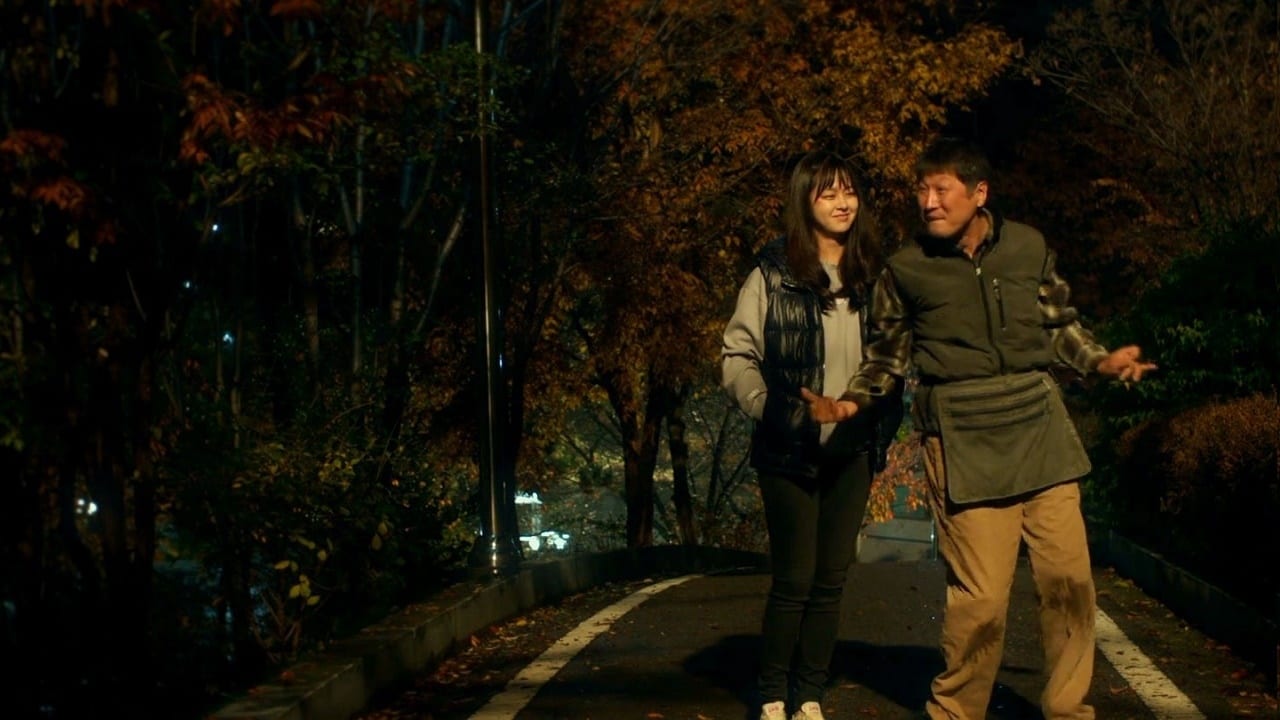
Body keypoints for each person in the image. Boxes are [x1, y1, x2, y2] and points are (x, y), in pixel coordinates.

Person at [804, 137, 1157, 720]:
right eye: (922, 190)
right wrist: (848, 404)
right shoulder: (905, 269)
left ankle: (1068, 709)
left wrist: (1101, 361)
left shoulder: (1028, 247)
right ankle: (955, 712)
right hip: (962, 435)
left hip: (1039, 427)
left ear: (979, 193)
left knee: (1069, 584)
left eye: (942, 189)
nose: (929, 202)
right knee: (982, 600)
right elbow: (886, 357)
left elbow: (1059, 325)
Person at [721, 150, 904, 720]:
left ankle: (809, 695)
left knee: (831, 581)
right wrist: (770, 409)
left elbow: (893, 359)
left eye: (849, 191)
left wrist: (875, 419)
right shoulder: (772, 274)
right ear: (805, 200)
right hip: (788, 447)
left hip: (853, 447)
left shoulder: (875, 275)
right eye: (829, 193)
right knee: (794, 578)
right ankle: (773, 694)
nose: (842, 203)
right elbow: (736, 356)